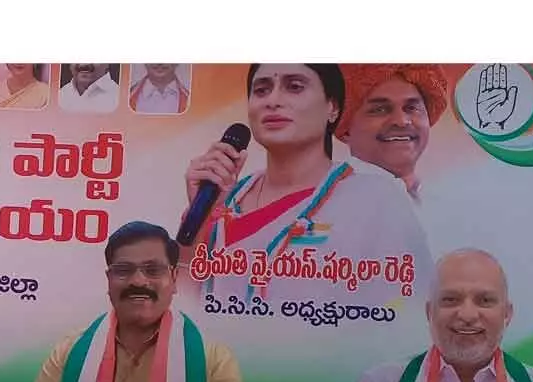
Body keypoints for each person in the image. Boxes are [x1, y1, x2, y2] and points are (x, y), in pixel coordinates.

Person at [181, 63, 433, 309]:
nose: (273, 101)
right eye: (261, 90)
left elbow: (412, 309)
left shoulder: (376, 199)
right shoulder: (225, 197)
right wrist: (199, 219)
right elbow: (181, 304)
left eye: (294, 87)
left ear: (332, 108)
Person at [345, 248, 533, 382]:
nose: (467, 315)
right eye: (451, 299)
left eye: (485, 300)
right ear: (430, 312)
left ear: (507, 313)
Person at [32, 221, 242, 382]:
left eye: (153, 270)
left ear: (174, 278)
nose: (139, 281)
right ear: (109, 280)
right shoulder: (68, 353)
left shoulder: (215, 362)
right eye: (124, 270)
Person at [336, 64, 448, 199]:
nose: (401, 121)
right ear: (346, 129)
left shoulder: (446, 200)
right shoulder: (332, 204)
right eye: (379, 109)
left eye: (411, 108)